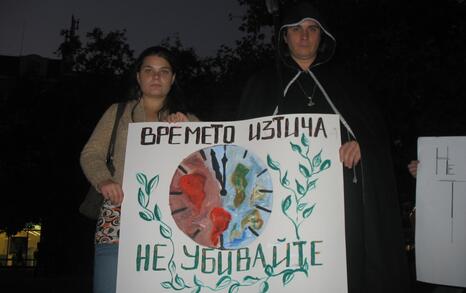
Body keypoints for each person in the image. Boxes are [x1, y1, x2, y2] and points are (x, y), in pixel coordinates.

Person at [238, 2, 410, 292]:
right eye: (296, 29)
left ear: (322, 36)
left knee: (345, 272)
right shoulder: (262, 85)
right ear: (284, 36)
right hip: (279, 203)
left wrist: (363, 144)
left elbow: (376, 136)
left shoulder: (349, 84)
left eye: (312, 29)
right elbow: (239, 145)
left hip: (344, 204)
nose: (304, 36)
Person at [80, 46, 198, 293]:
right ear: (138, 76)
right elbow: (91, 154)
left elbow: (207, 164)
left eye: (164, 71)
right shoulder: (118, 112)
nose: (156, 77)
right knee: (109, 285)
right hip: (118, 216)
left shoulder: (187, 120)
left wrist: (191, 130)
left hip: (171, 220)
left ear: (173, 79)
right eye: (149, 70)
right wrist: (104, 181)